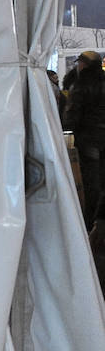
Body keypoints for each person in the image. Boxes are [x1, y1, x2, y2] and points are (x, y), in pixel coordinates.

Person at [65, 50, 105, 223]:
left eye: (79, 63)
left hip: (89, 137)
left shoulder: (82, 84)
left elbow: (73, 113)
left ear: (85, 65)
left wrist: (66, 129)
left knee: (91, 181)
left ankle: (91, 222)